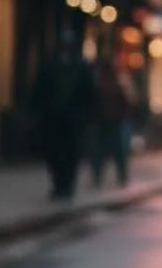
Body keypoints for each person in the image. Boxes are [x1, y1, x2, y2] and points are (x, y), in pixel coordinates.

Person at [32, 27, 95, 200]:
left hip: (73, 120)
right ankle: (58, 185)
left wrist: (85, 117)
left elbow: (89, 95)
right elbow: (40, 90)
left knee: (71, 154)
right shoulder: (50, 65)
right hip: (53, 119)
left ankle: (66, 186)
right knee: (54, 153)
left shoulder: (81, 67)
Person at [90, 57, 136, 187]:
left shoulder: (112, 85)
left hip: (113, 123)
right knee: (107, 153)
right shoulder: (105, 86)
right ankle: (110, 177)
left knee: (114, 153)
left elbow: (126, 104)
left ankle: (118, 177)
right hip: (106, 123)